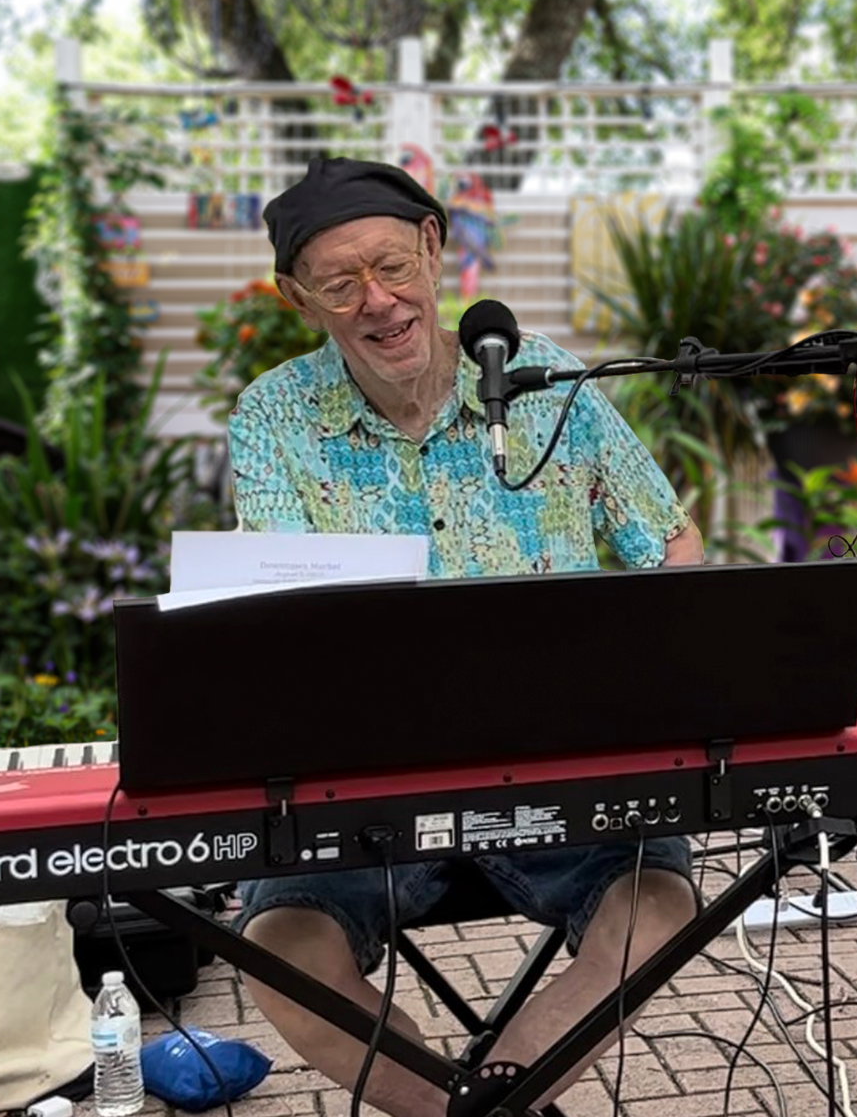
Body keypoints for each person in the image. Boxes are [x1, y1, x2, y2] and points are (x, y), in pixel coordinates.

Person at [226, 157, 705, 1117]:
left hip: (561, 771)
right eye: (340, 284)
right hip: (361, 789)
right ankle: (455, 1107)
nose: (378, 301)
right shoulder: (273, 418)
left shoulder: (550, 382)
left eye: (394, 266)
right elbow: (276, 617)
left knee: (658, 910)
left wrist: (668, 663)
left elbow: (670, 543)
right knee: (279, 948)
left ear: (436, 250)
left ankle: (490, 1098)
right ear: (298, 299)